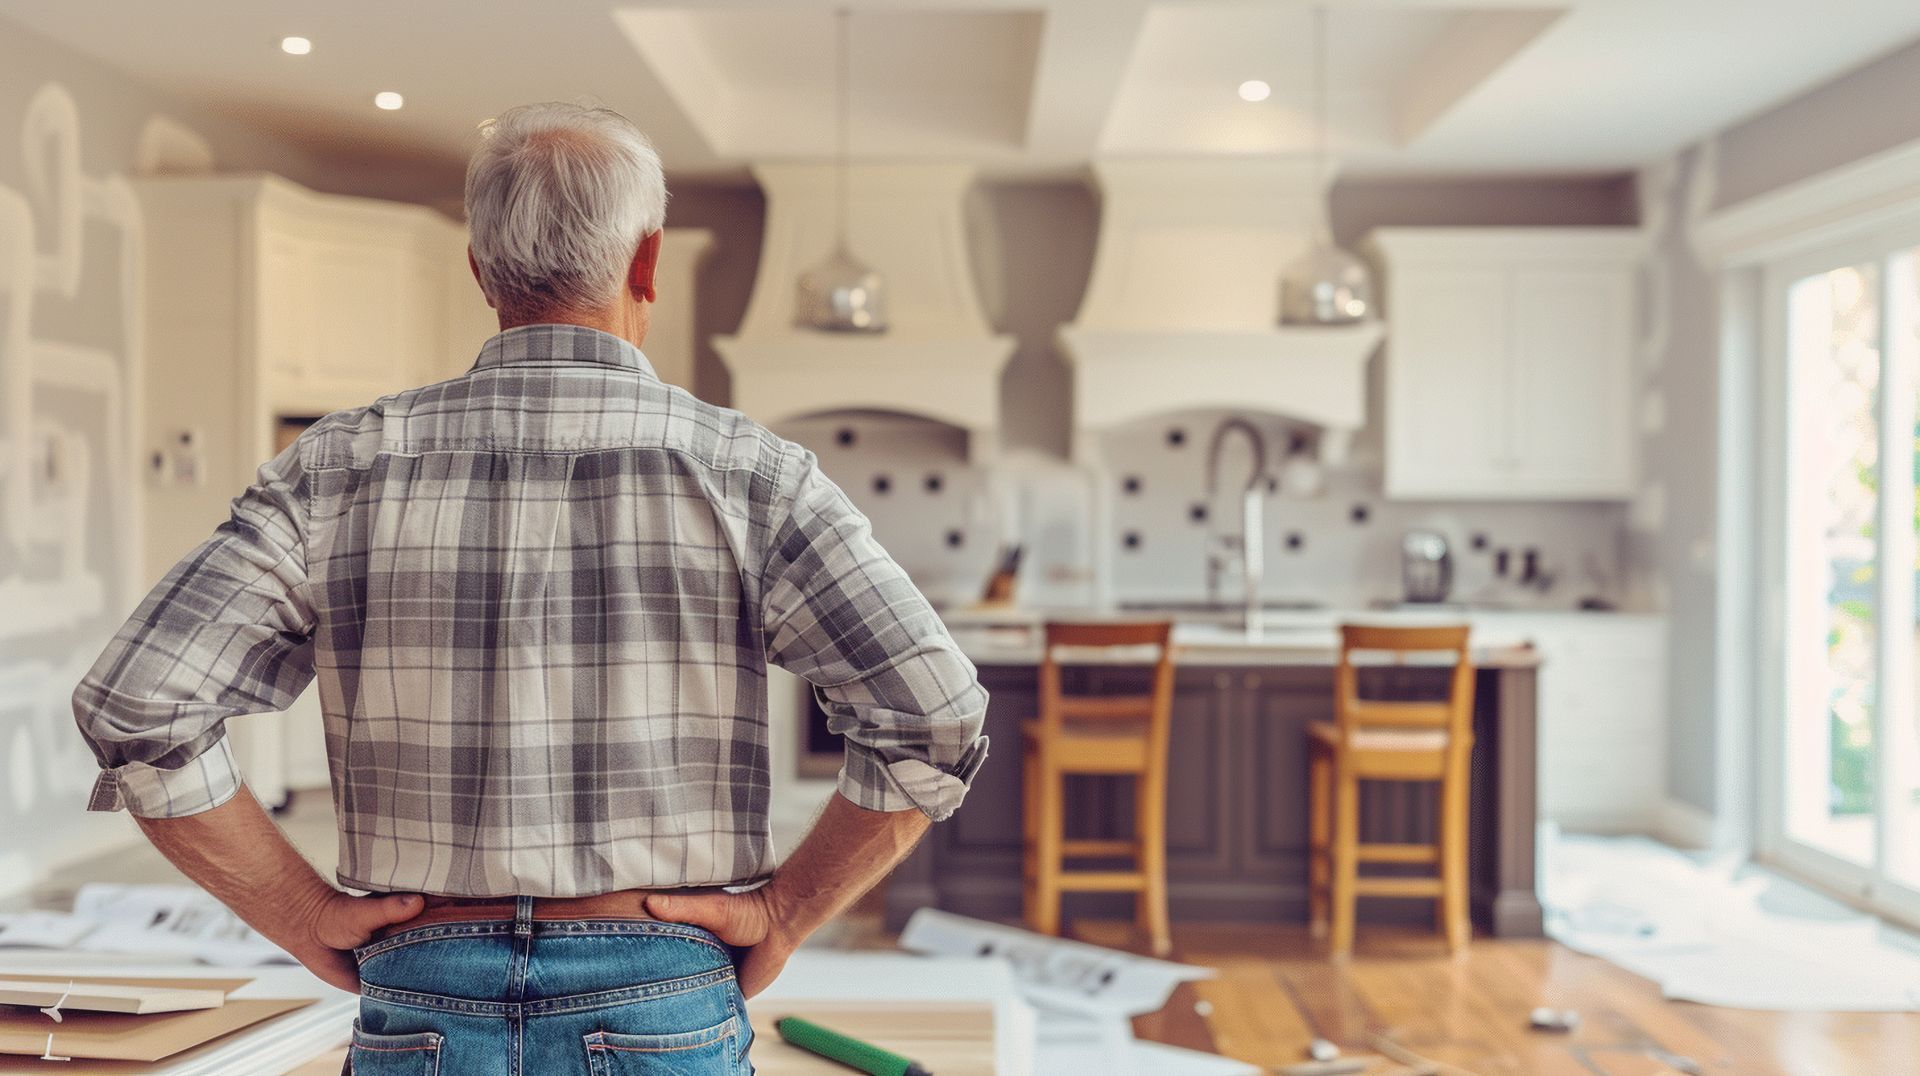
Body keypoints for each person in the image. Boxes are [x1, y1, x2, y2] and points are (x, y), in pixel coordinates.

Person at [71, 101, 989, 1075]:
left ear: (479, 268)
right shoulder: (753, 473)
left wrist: (300, 912)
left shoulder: (337, 467)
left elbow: (138, 700)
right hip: (663, 992)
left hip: (420, 991)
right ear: (647, 264)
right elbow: (934, 710)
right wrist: (787, 909)